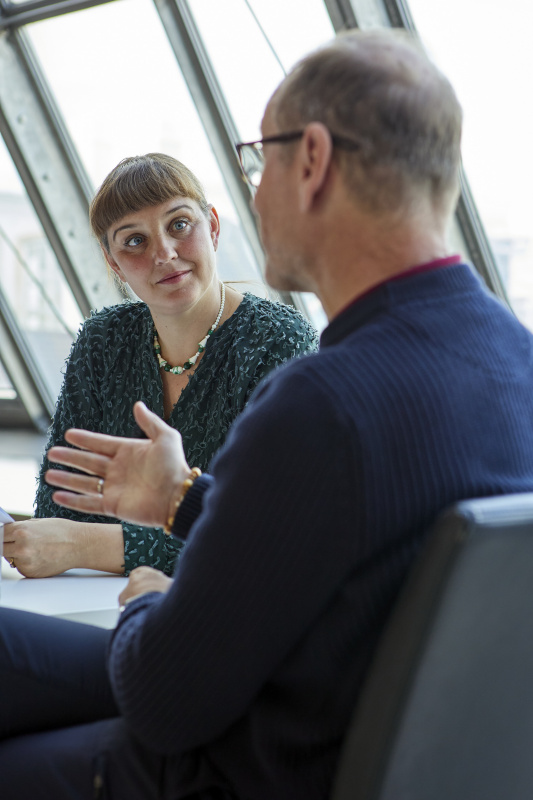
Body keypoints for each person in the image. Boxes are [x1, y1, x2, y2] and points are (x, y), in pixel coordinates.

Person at [2, 28, 533, 800]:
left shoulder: (323, 405)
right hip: (347, 736)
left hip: (241, 762)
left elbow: (163, 696)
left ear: (310, 161)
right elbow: (348, 538)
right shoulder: (510, 359)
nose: (251, 193)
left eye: (257, 160)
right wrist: (184, 499)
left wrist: (149, 598)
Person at [2, 153, 317, 578]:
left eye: (179, 225)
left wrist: (86, 545)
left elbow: (267, 531)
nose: (164, 253)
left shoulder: (278, 342)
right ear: (113, 263)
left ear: (214, 227)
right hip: (99, 600)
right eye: (134, 241)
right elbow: (59, 507)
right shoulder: (102, 341)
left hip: (223, 612)